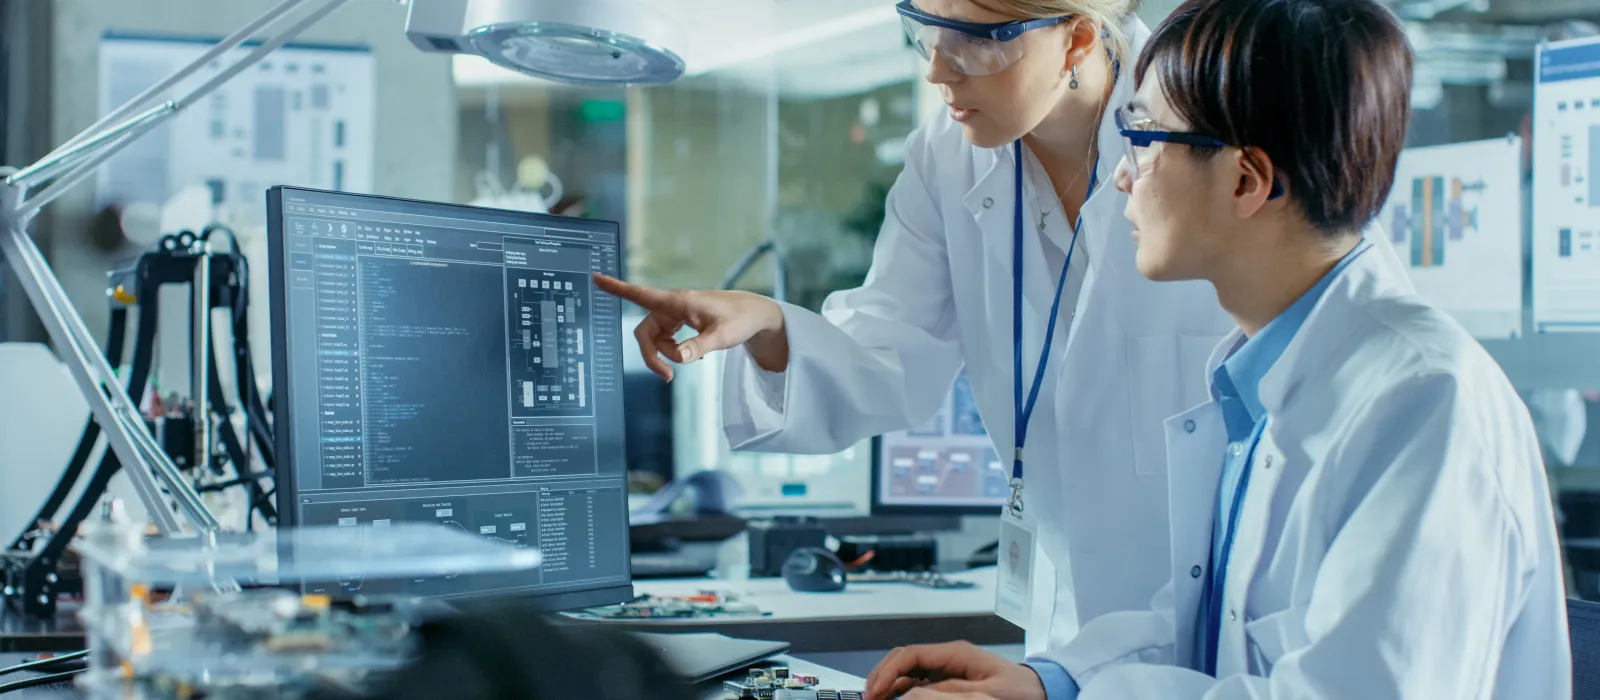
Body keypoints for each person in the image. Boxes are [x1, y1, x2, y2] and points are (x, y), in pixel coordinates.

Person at [863, 0, 1572, 697]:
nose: (1120, 175)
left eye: (1143, 139)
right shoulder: (1264, 377)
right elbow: (1212, 620)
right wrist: (1052, 682)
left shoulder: (1421, 404)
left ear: (1245, 178)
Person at [596, 0, 1234, 652]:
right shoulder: (946, 155)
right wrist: (767, 325)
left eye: (972, 43)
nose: (936, 70)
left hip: (1229, 619)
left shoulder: (1217, 123)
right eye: (922, 31)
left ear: (1075, 40)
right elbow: (891, 351)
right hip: (1071, 625)